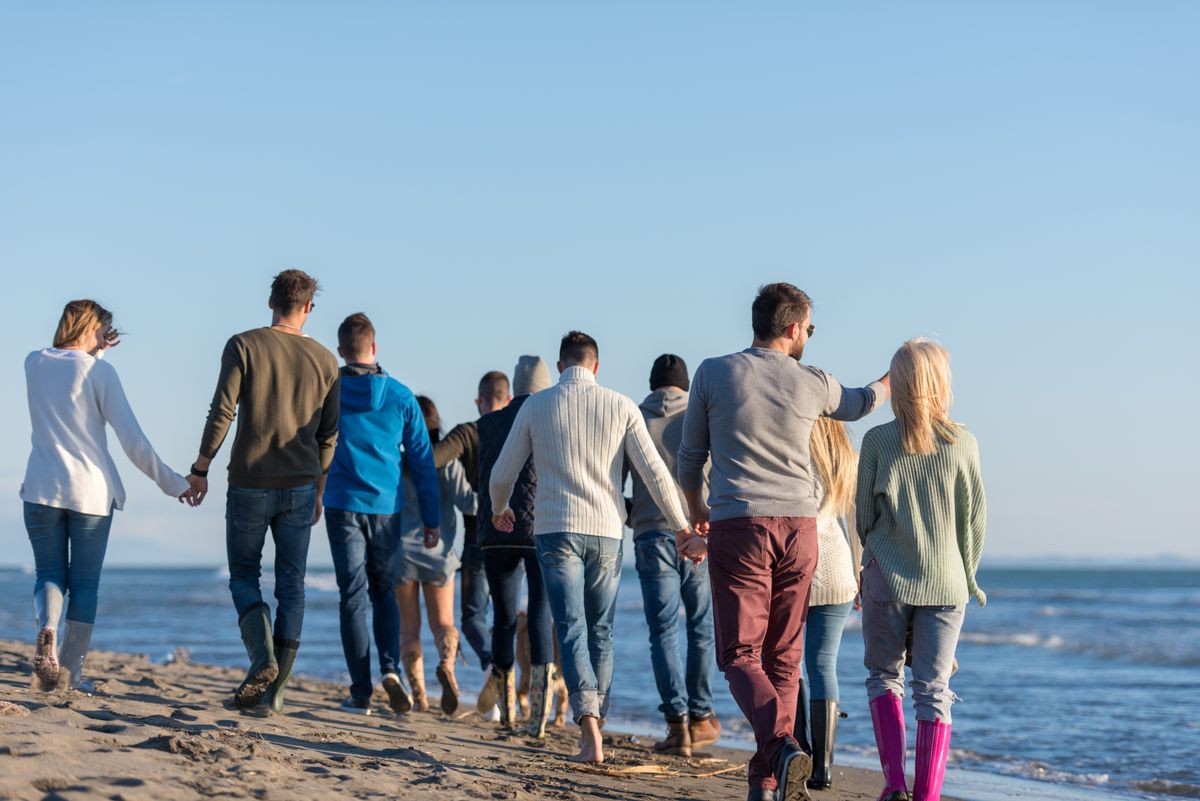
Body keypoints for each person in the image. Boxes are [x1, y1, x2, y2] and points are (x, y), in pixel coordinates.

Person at [677, 283, 889, 801]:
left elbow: (689, 459)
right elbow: (862, 403)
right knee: (783, 660)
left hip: (741, 525)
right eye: (810, 329)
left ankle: (782, 746)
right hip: (800, 529)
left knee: (739, 656)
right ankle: (766, 781)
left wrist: (697, 509)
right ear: (793, 328)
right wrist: (892, 378)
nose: (808, 337)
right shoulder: (812, 382)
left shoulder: (713, 372)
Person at [490, 331, 695, 764]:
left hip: (555, 529)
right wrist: (681, 526)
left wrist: (499, 508)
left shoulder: (536, 405)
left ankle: (588, 732)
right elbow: (656, 475)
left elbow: (502, 472)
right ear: (596, 367)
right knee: (601, 631)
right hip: (606, 531)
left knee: (571, 628)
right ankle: (595, 720)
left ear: (561, 366)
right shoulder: (621, 405)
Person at [21, 300, 197, 692]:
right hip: (89, 494)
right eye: (104, 330)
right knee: (84, 585)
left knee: (49, 575)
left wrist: (95, 349)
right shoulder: (101, 372)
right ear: (93, 327)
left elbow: (66, 368)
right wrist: (174, 483)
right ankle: (70, 673)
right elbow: (133, 441)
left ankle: (48, 629)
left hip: (40, 488)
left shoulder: (34, 362)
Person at [186, 269, 340, 714]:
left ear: (271, 301)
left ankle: (262, 658)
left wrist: (201, 467)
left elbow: (222, 411)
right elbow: (329, 434)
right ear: (308, 309)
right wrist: (320, 486)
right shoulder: (327, 362)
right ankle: (275, 694)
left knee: (243, 576)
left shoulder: (244, 345)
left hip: (250, 482)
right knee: (292, 585)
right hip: (300, 486)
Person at [858, 339, 986, 801]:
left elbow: (863, 518)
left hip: (886, 575)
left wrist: (866, 565)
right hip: (947, 580)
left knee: (883, 676)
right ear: (939, 383)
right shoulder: (963, 443)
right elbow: (973, 522)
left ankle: (894, 786)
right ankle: (928, 796)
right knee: (934, 689)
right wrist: (968, 576)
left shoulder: (876, 441)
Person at [321, 313, 441, 716]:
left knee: (352, 598)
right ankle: (390, 668)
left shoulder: (328, 390)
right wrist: (431, 518)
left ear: (341, 351)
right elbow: (423, 462)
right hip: (386, 508)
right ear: (374, 348)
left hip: (341, 503)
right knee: (382, 592)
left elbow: (309, 442)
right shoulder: (402, 396)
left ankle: (360, 692)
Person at [627, 354, 720, 757]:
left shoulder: (634, 418)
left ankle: (677, 724)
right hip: (697, 532)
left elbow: (616, 475)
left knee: (662, 632)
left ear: (652, 385)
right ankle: (701, 716)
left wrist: (632, 511)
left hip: (651, 532)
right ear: (684, 385)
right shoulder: (701, 417)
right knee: (700, 628)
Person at [474, 356, 556, 735]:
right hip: (541, 529)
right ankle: (538, 717)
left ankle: (508, 714)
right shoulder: (552, 420)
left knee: (504, 620)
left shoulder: (487, 423)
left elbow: (482, 477)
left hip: (496, 532)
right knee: (540, 617)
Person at [393, 396, 478, 715]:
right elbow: (468, 503)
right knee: (443, 623)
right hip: (440, 553)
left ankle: (419, 695)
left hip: (402, 553)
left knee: (408, 630)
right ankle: (446, 665)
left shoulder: (398, 462)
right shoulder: (448, 461)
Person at [794, 417, 862, 791]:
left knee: (789, 662)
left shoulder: (794, 452)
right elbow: (856, 524)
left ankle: (800, 748)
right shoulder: (847, 458)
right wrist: (860, 572)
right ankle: (824, 768)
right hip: (838, 569)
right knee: (824, 665)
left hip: (797, 567)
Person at [432, 371, 511, 684]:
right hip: (519, 535)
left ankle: (495, 665)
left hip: (480, 538)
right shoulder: (518, 427)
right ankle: (511, 672)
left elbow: (434, 458)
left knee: (473, 618)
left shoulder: (468, 433)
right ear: (508, 398)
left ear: (479, 401)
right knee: (506, 617)